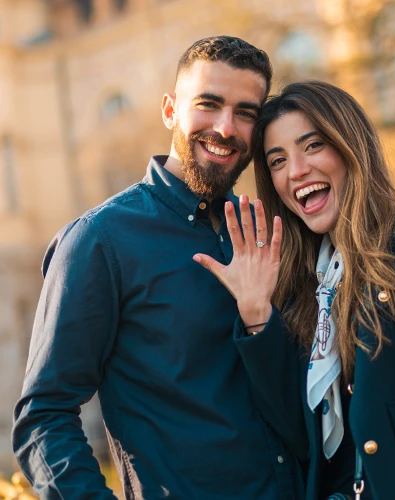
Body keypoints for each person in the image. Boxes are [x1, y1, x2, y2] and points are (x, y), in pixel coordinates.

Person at [12, 36, 307, 500]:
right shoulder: (99, 241)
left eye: (245, 113)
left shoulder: (264, 232)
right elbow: (44, 415)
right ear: (170, 110)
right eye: (208, 104)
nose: (226, 128)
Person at [194, 81, 395, 500]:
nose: (296, 170)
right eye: (277, 161)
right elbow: (301, 439)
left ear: (350, 146)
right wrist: (255, 313)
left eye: (313, 145)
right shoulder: (303, 287)